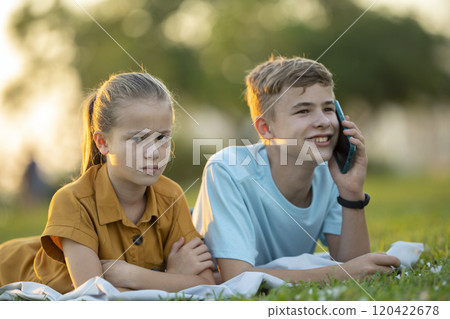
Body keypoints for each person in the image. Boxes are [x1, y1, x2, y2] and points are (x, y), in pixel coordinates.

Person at [0, 72, 214, 293]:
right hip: (6, 266)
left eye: (162, 137)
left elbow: (207, 284)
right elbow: (95, 296)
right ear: (103, 142)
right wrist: (175, 279)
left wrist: (132, 275)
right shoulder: (72, 201)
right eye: (138, 138)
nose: (153, 152)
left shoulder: (171, 195)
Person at [192, 56, 401, 283]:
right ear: (266, 128)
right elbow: (237, 278)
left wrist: (351, 192)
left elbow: (358, 267)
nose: (323, 121)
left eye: (329, 108)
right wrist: (342, 273)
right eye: (303, 111)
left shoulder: (329, 173)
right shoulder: (228, 169)